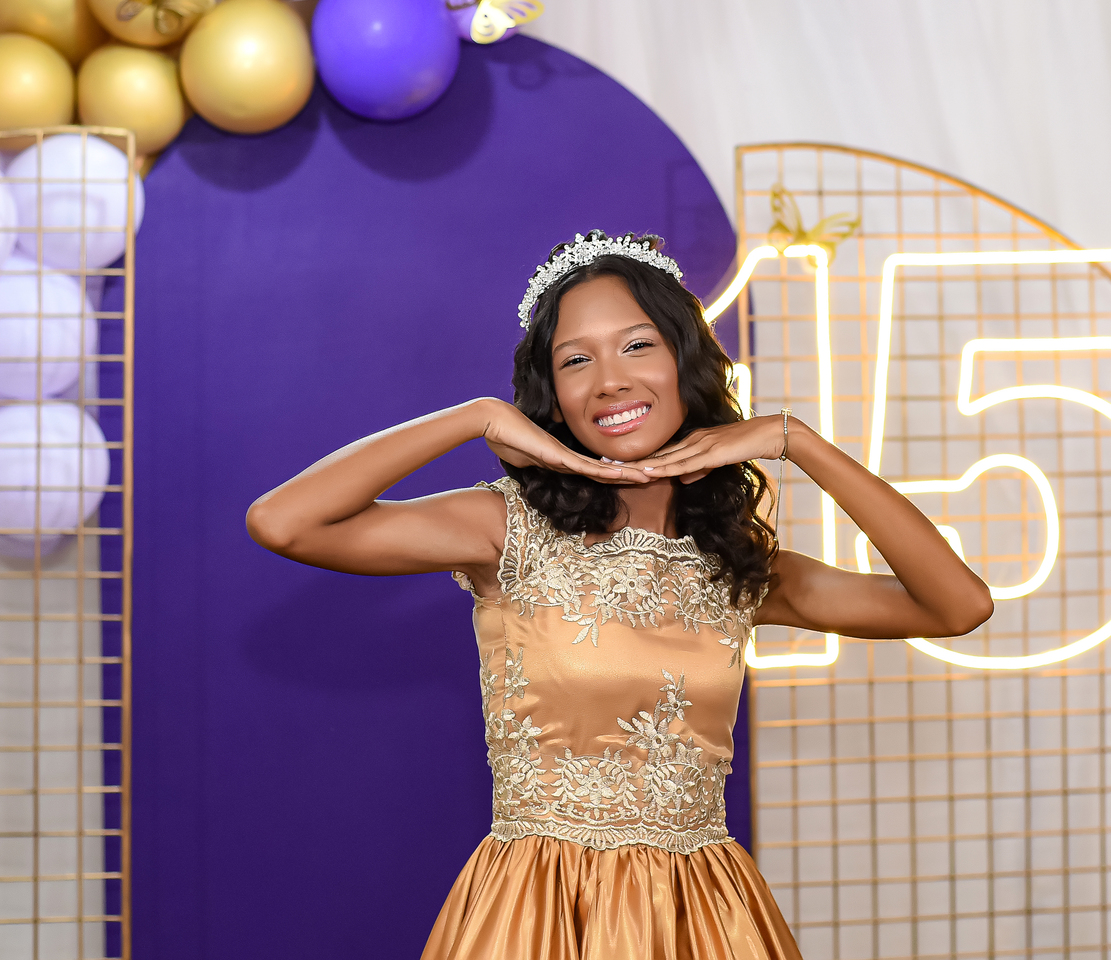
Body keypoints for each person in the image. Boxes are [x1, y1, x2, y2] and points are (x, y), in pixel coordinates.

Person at [246, 229, 993, 959]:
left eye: (637, 345)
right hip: (538, 911)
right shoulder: (508, 529)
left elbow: (958, 605)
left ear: (685, 362)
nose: (610, 380)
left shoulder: (736, 567)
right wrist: (475, 418)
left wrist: (799, 441)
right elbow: (283, 522)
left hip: (702, 917)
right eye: (577, 360)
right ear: (555, 399)